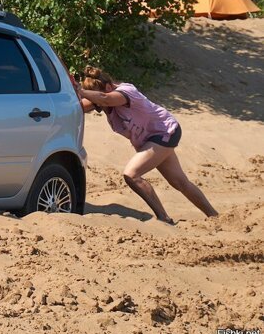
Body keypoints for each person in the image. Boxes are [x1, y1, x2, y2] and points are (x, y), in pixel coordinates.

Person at [78, 65, 218, 224]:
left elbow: (105, 98)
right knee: (179, 182)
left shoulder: (125, 92)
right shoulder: (101, 99)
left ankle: (163, 219)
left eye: (98, 96)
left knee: (132, 174)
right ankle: (214, 216)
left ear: (109, 86)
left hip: (165, 132)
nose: (98, 105)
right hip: (151, 141)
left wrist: (80, 91)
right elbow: (81, 105)